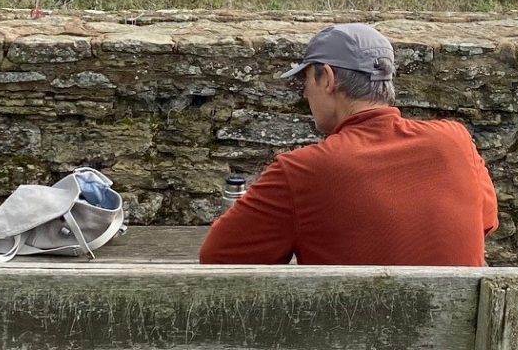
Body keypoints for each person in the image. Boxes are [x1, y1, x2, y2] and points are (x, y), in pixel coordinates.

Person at [198, 23, 499, 266]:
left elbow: (219, 257)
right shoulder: (455, 140)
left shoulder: (301, 171)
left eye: (306, 81)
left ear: (327, 79)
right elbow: (484, 223)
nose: (305, 95)